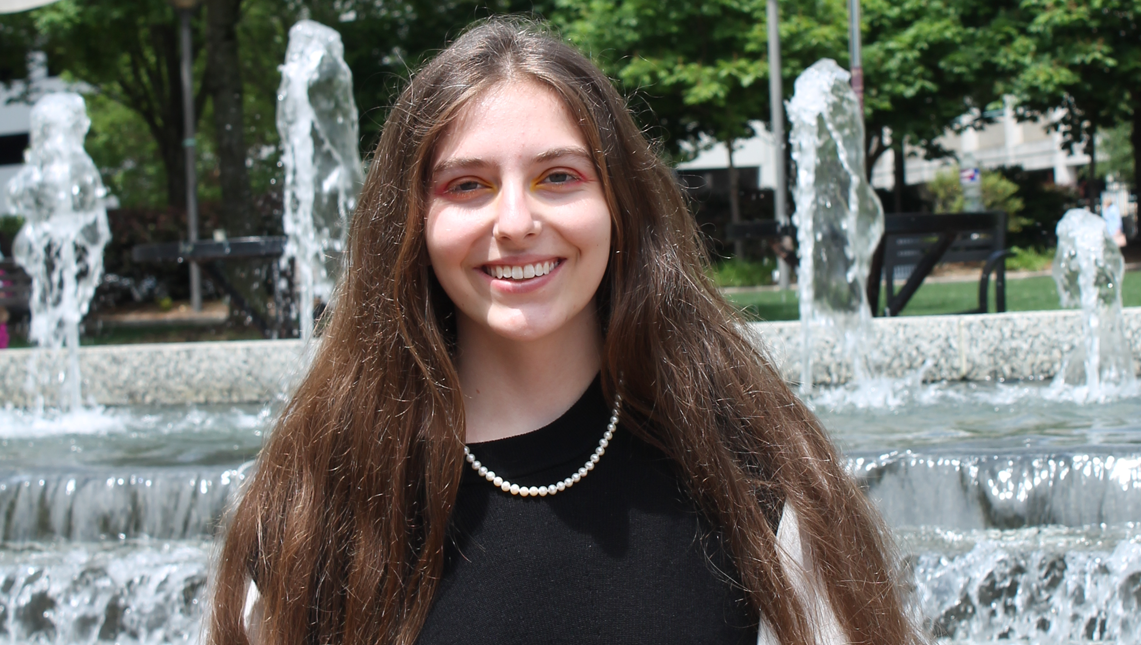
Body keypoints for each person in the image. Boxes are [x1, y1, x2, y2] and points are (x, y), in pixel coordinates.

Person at [208, 19, 921, 645]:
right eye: (467, 184)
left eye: (558, 177)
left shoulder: (755, 478)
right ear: (413, 225)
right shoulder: (321, 496)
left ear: (619, 205)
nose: (515, 221)